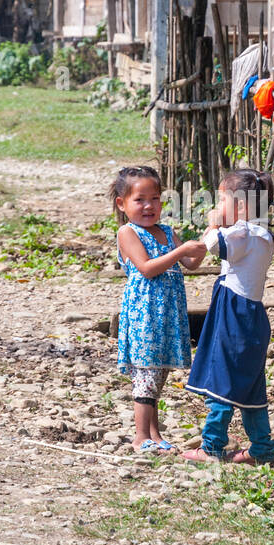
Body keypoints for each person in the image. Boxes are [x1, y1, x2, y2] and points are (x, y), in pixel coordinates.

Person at [182, 169, 274, 465]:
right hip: (250, 317)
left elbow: (213, 246)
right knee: (251, 386)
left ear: (240, 206)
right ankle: (262, 449)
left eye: (221, 199)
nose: (217, 206)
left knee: (222, 380)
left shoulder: (244, 233)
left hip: (234, 316)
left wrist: (214, 224)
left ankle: (211, 446)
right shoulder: (260, 233)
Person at [111, 166, 207, 453]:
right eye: (140, 200)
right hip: (146, 315)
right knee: (147, 376)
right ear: (122, 203)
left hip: (168, 314)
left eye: (155, 198)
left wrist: (198, 250)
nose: (149, 206)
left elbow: (189, 265)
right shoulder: (127, 232)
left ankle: (155, 433)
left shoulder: (166, 231)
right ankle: (140, 437)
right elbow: (147, 268)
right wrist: (180, 251)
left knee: (158, 375)